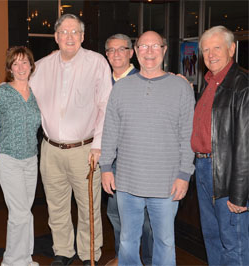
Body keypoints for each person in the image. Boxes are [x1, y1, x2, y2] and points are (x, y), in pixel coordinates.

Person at [100, 31, 195, 266]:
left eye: (155, 46)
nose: (149, 52)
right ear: (136, 51)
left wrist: (184, 175)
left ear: (164, 50)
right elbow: (110, 130)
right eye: (143, 46)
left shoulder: (180, 87)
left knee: (164, 242)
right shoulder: (121, 89)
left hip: (166, 184)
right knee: (127, 241)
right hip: (127, 182)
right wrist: (105, 167)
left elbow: (187, 135)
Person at [29, 13, 112, 266]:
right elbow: (24, 95)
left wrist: (98, 146)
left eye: (75, 32)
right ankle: (63, 251)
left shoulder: (96, 63)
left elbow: (105, 107)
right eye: (64, 32)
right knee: (56, 207)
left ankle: (89, 255)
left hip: (84, 150)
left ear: (83, 36)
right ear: (55, 36)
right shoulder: (41, 67)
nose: (69, 37)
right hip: (51, 150)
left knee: (88, 208)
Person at [191, 25, 249, 266]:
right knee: (213, 237)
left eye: (216, 48)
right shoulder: (210, 81)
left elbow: (246, 146)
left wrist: (239, 195)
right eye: (205, 50)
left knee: (233, 243)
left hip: (226, 174)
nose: (210, 54)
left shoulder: (242, 84)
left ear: (232, 48)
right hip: (204, 169)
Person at [103, 33, 152, 266]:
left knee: (144, 218)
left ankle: (147, 260)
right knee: (115, 213)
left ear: (131, 52)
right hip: (111, 160)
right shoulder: (103, 80)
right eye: (111, 50)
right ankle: (123, 259)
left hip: (138, 160)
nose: (116, 54)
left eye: (121, 49)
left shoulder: (144, 78)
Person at [0, 46, 41, 266]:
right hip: (8, 159)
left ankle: (25, 258)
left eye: (25, 62)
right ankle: (11, 261)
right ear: (10, 68)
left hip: (31, 160)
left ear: (32, 66)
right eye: (16, 63)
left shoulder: (36, 93)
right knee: (19, 213)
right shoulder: (2, 92)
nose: (21, 67)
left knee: (25, 212)